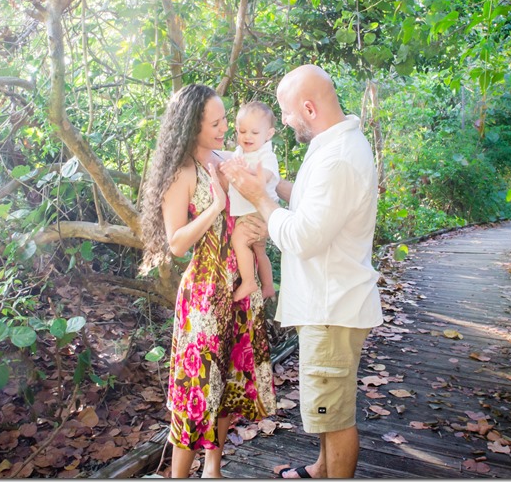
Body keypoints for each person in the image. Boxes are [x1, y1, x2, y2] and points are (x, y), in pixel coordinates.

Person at [222, 64, 383, 479]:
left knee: (333, 414)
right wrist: (273, 187)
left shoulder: (339, 158)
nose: (287, 122)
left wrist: (259, 198)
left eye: (288, 114)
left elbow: (305, 236)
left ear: (308, 108)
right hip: (329, 302)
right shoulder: (333, 144)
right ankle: (320, 468)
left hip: (331, 307)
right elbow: (314, 203)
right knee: (327, 406)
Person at [139, 84, 276, 479]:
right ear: (190, 126)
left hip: (240, 286)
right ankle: (180, 475)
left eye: (223, 121)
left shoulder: (227, 159)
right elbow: (177, 242)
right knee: (196, 389)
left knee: (230, 382)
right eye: (215, 123)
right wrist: (216, 204)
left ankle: (213, 469)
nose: (223, 129)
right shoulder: (182, 171)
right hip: (204, 294)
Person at [227, 102, 280, 303]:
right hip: (250, 210)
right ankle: (267, 286)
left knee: (239, 241)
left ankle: (249, 281)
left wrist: (246, 171)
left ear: (269, 134)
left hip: (257, 210)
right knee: (259, 249)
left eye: (254, 132)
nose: (247, 136)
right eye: (242, 131)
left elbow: (264, 176)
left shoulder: (265, 154)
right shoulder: (241, 153)